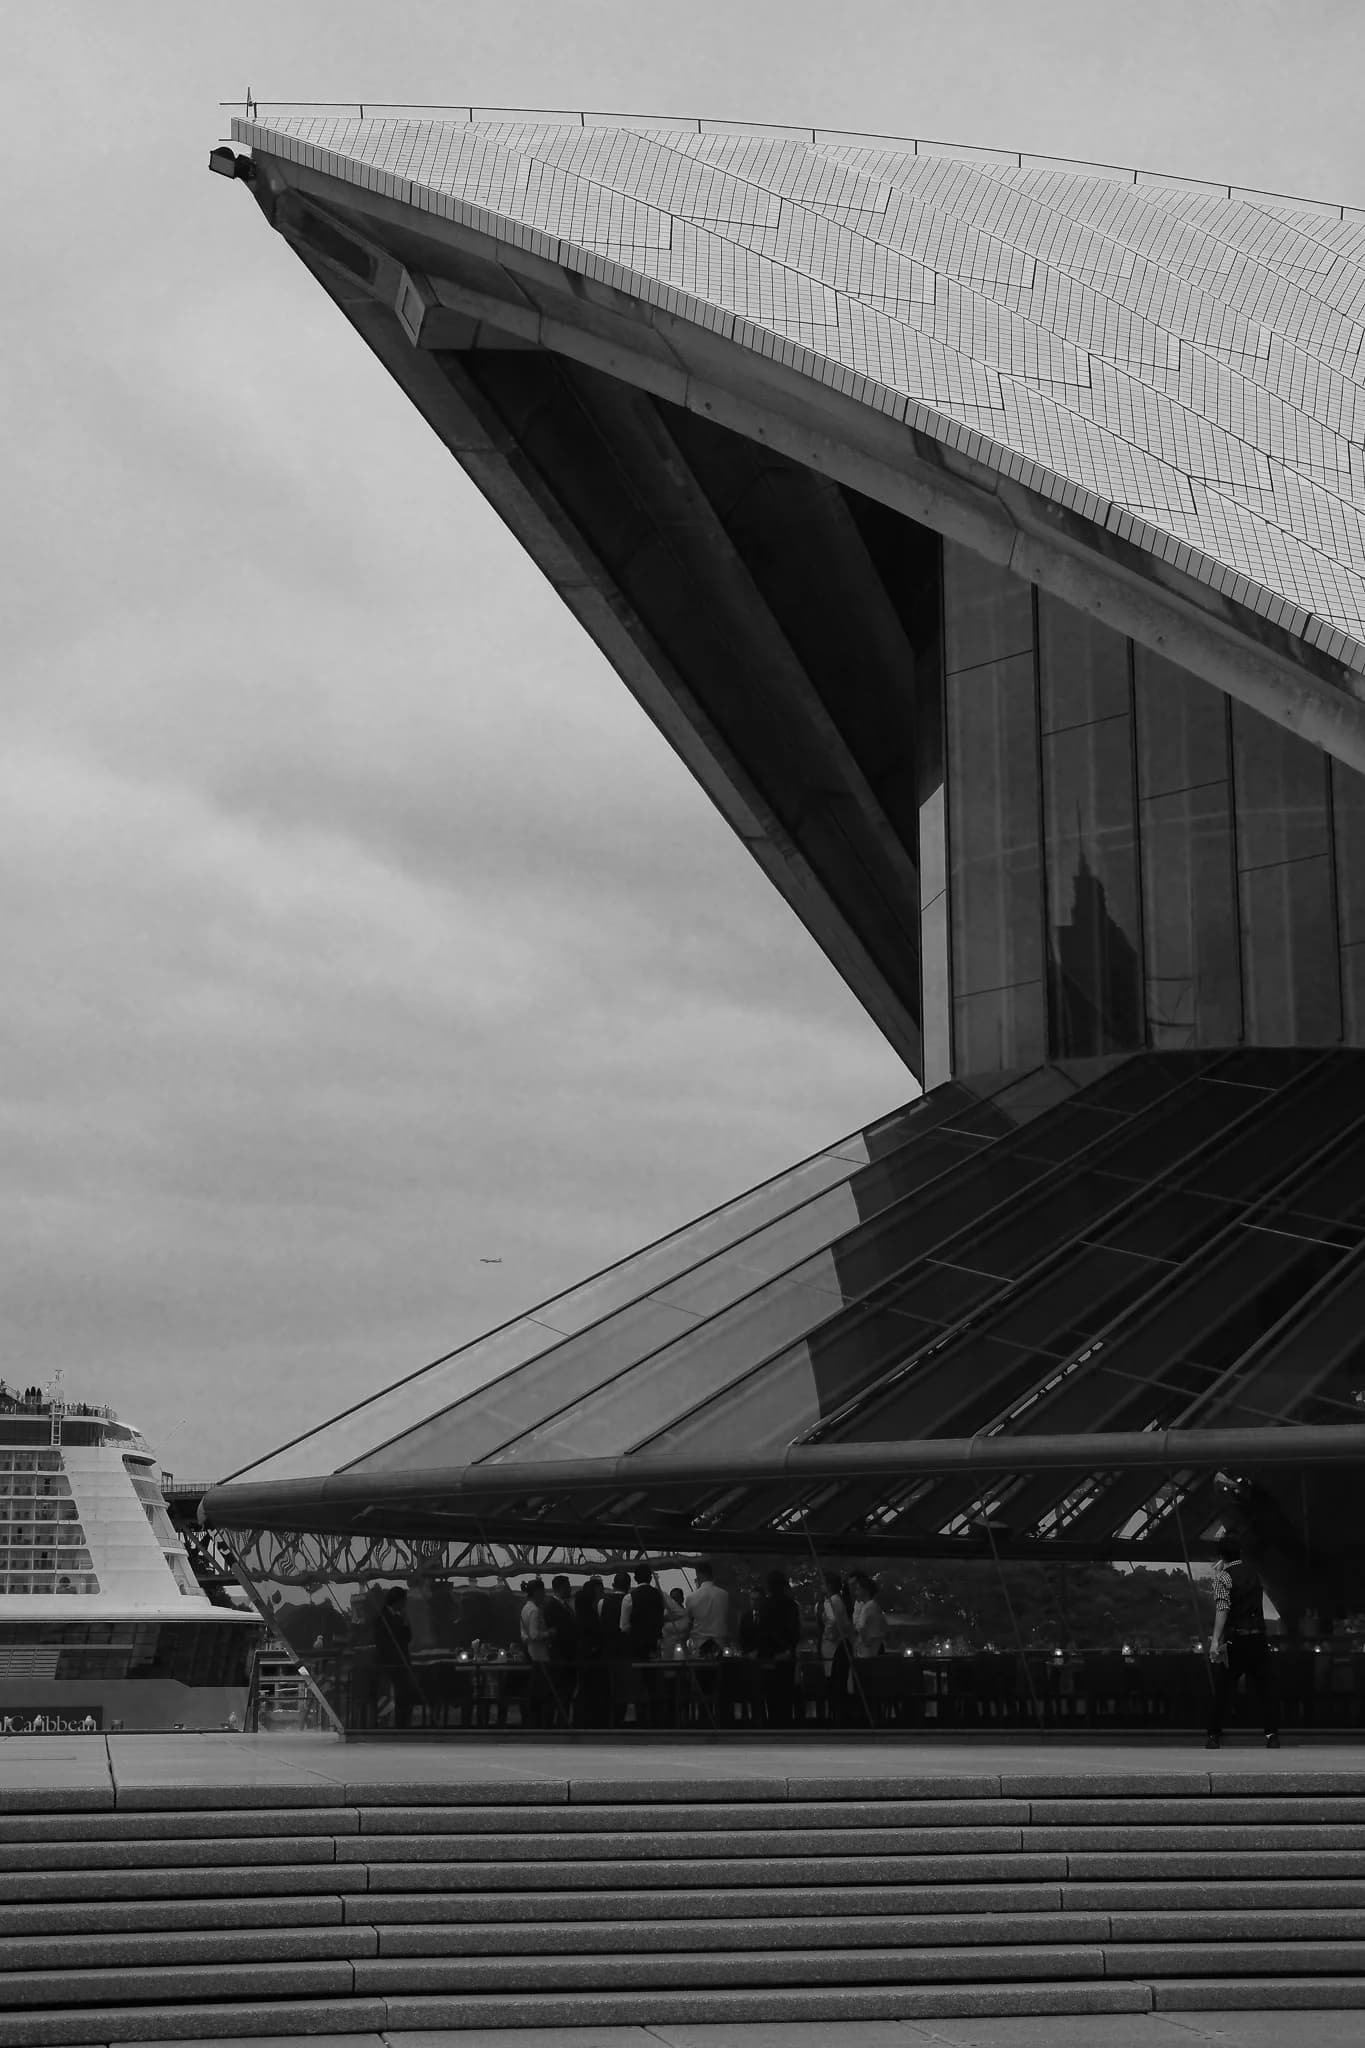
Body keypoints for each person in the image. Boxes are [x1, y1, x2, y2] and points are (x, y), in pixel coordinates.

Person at [1206, 1536, 1279, 1749]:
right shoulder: (1253, 1573)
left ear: (1222, 1555)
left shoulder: (1223, 1578)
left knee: (1224, 1688)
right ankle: (1271, 1734)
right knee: (1265, 1688)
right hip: (1258, 1637)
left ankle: (1213, 1735)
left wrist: (1215, 1641)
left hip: (1237, 1639)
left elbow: (1222, 1609)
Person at [755, 1569, 803, 1728]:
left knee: (771, 1697)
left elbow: (762, 1632)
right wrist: (788, 1649)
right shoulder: (791, 1605)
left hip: (769, 1657)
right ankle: (786, 1725)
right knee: (786, 1696)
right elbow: (795, 1630)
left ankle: (772, 1726)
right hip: (787, 1656)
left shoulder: (764, 1606)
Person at [622, 1566, 667, 1725]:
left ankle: (638, 1719)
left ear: (635, 1579)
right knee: (654, 1683)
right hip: (654, 1645)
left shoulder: (629, 1598)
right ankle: (656, 1719)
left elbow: (624, 1626)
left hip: (635, 1647)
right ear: (650, 1578)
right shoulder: (658, 1596)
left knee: (636, 1684)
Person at [373, 1586, 416, 1730]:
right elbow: (388, 1638)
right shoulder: (382, 1618)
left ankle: (402, 1723)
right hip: (390, 1662)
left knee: (404, 1694)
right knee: (391, 1694)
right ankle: (391, 1723)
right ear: (398, 1601)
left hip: (400, 1662)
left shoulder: (397, 1617)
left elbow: (407, 1636)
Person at [820, 1570, 856, 1726]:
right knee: (839, 1684)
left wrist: (829, 1634)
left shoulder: (831, 1601)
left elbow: (833, 1621)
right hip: (840, 1644)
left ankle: (838, 1720)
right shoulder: (838, 1600)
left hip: (835, 1647)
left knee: (836, 1685)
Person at [518, 1578, 553, 1728]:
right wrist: (549, 1633)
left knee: (534, 1692)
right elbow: (534, 1634)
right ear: (537, 1592)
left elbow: (524, 1634)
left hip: (530, 1653)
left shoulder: (525, 1608)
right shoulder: (534, 1610)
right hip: (540, 1654)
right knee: (542, 1693)